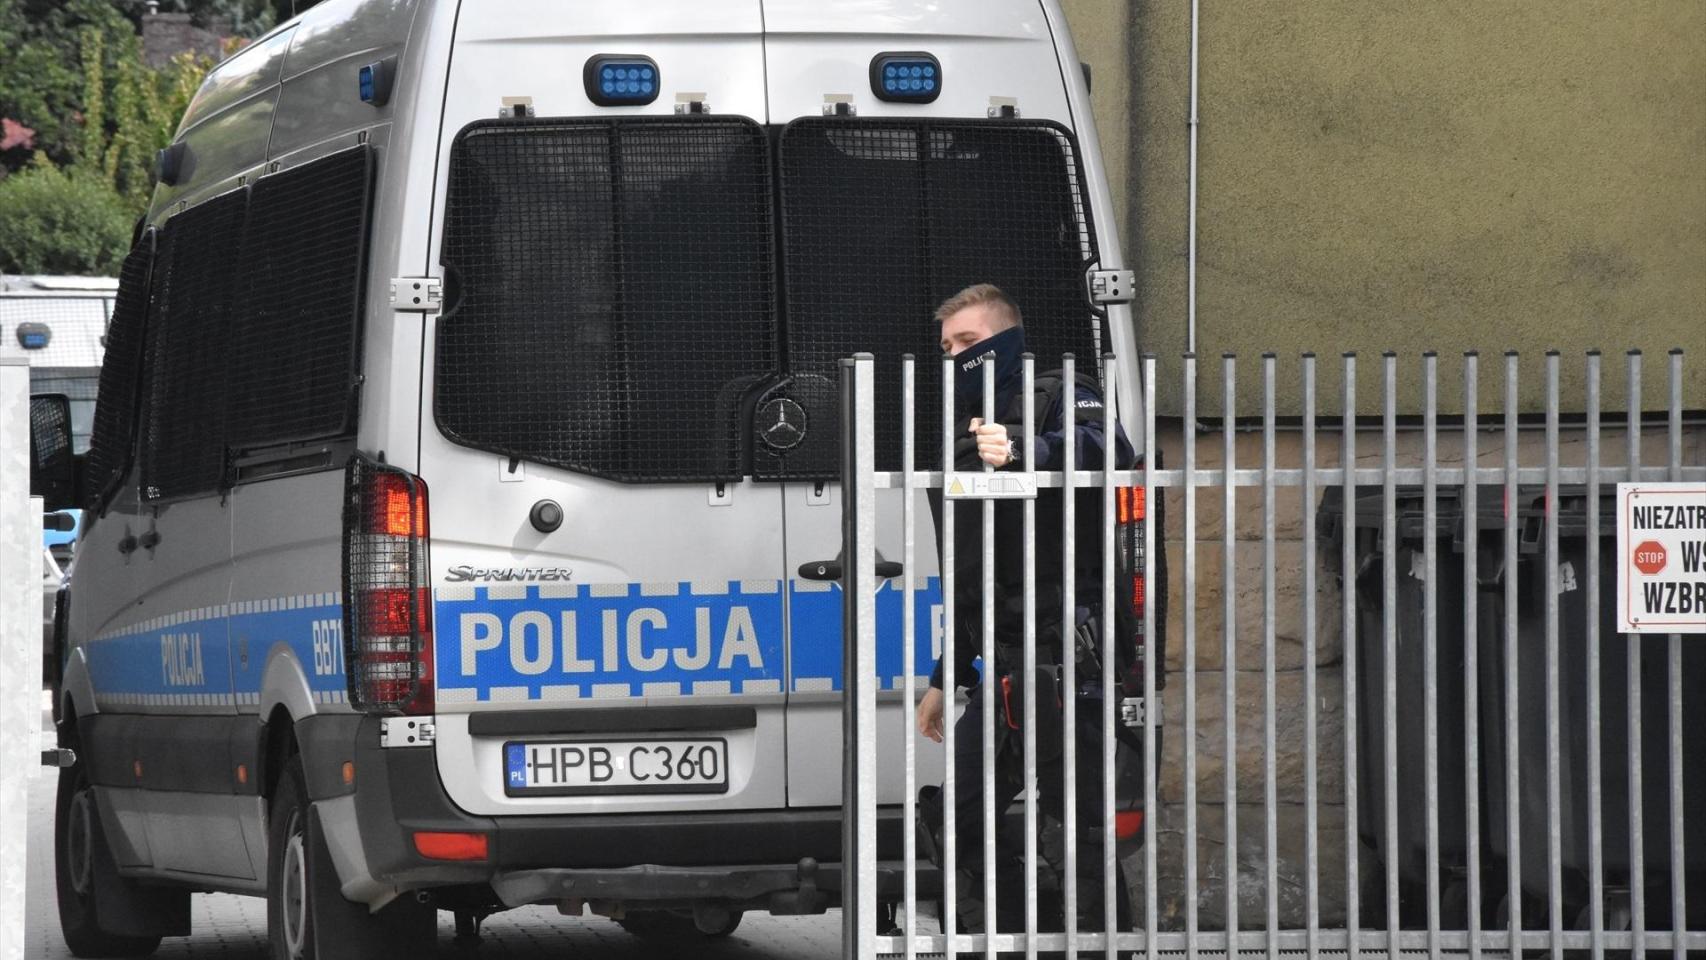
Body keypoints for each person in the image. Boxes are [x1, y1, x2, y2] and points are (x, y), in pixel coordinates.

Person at [915, 283, 1138, 943]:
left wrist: (1024, 451)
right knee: (955, 818)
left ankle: (1097, 947)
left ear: (1007, 338)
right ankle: (1004, 941)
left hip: (1068, 657)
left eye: (969, 342)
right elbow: (973, 574)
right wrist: (947, 677)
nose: (957, 357)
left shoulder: (1062, 392)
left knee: (1075, 830)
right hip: (1004, 666)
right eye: (948, 348)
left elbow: (1111, 449)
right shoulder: (962, 434)